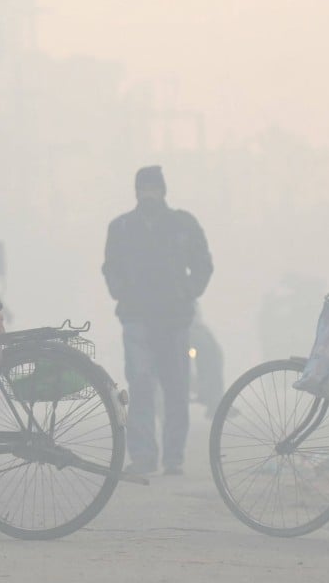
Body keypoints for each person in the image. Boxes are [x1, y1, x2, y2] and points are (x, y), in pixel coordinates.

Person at [102, 166, 213, 475]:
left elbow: (203, 264)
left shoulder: (182, 224)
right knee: (140, 386)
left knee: (175, 388)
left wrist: (186, 294)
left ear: (163, 190)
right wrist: (122, 294)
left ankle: (173, 458)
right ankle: (144, 456)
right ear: (136, 191)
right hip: (135, 318)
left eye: (153, 188)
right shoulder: (122, 227)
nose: (148, 193)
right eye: (144, 188)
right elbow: (110, 267)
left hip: (174, 320)